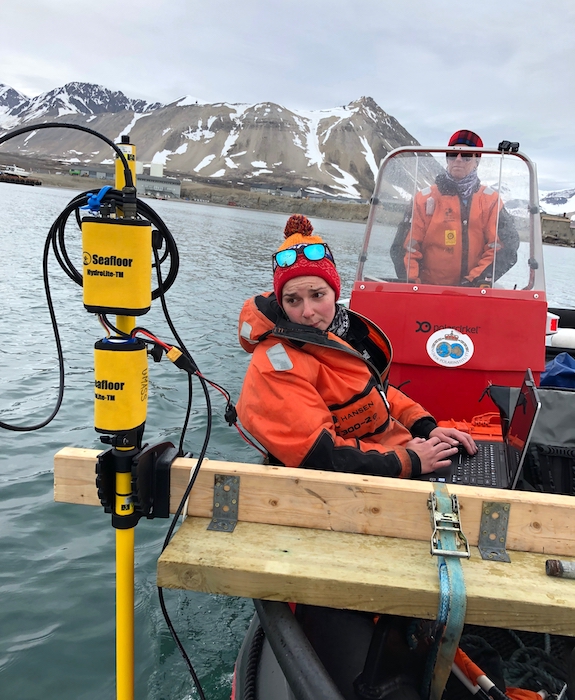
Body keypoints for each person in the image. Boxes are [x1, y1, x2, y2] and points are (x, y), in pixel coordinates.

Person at [237, 214, 476, 479]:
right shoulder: (275, 365)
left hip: (388, 456)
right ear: (282, 304)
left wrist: (426, 428)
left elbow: (376, 393)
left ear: (335, 293)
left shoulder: (336, 335)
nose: (308, 312)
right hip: (339, 483)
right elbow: (320, 456)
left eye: (318, 295)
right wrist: (408, 461)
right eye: (293, 300)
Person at [391, 130, 520, 287]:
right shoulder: (423, 199)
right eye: (452, 155)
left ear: (476, 162)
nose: (458, 160)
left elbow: (504, 247)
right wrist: (414, 286)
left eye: (466, 155)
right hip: (428, 292)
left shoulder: (491, 201)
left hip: (474, 292)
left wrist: (474, 282)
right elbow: (406, 249)